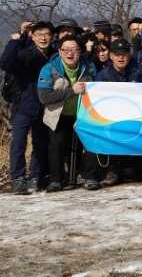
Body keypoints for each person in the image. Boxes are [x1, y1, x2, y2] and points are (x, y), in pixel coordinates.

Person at [37, 36, 100, 191]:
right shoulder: (49, 69)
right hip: (58, 115)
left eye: (75, 49)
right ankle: (56, 180)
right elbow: (44, 97)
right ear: (59, 51)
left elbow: (97, 92)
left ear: (80, 51)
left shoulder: (90, 67)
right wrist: (72, 91)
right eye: (66, 49)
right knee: (57, 146)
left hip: (82, 115)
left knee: (90, 142)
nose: (70, 53)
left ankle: (89, 177)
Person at [1, 21, 56, 195]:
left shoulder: (55, 56)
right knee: (18, 143)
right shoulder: (24, 54)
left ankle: (35, 176)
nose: (43, 38)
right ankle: (18, 178)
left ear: (52, 37)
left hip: (45, 107)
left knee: (41, 144)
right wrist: (17, 39)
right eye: (39, 34)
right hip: (24, 106)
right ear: (33, 36)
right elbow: (4, 63)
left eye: (47, 34)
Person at [96, 38, 142, 186]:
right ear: (111, 56)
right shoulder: (103, 75)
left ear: (129, 55)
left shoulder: (137, 70)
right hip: (114, 117)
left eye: (124, 54)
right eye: (117, 54)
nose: (120, 57)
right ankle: (112, 172)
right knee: (110, 133)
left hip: (138, 116)